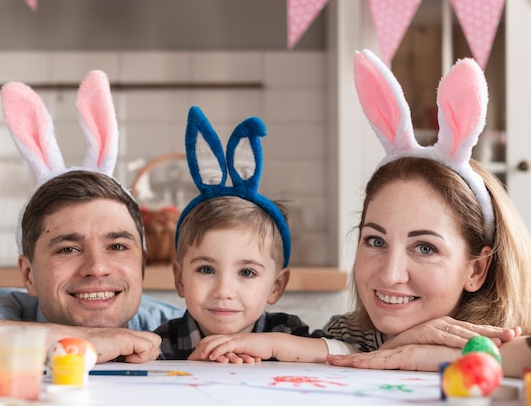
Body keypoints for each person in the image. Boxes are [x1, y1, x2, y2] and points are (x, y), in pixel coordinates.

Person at [190, 50, 529, 371]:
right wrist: (393, 351)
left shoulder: (514, 334)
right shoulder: (348, 335)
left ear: (477, 269)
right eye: (375, 241)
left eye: (425, 248)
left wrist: (438, 357)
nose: (390, 274)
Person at [0, 70, 184, 372]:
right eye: (68, 249)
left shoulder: (171, 328)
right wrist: (68, 338)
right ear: (28, 275)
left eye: (117, 246)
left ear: (141, 265)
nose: (97, 268)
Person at [154, 106, 312, 360]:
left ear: (276, 286)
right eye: (206, 269)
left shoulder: (288, 334)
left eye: (247, 272)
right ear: (180, 279)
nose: (223, 290)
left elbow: (340, 359)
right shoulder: (161, 344)